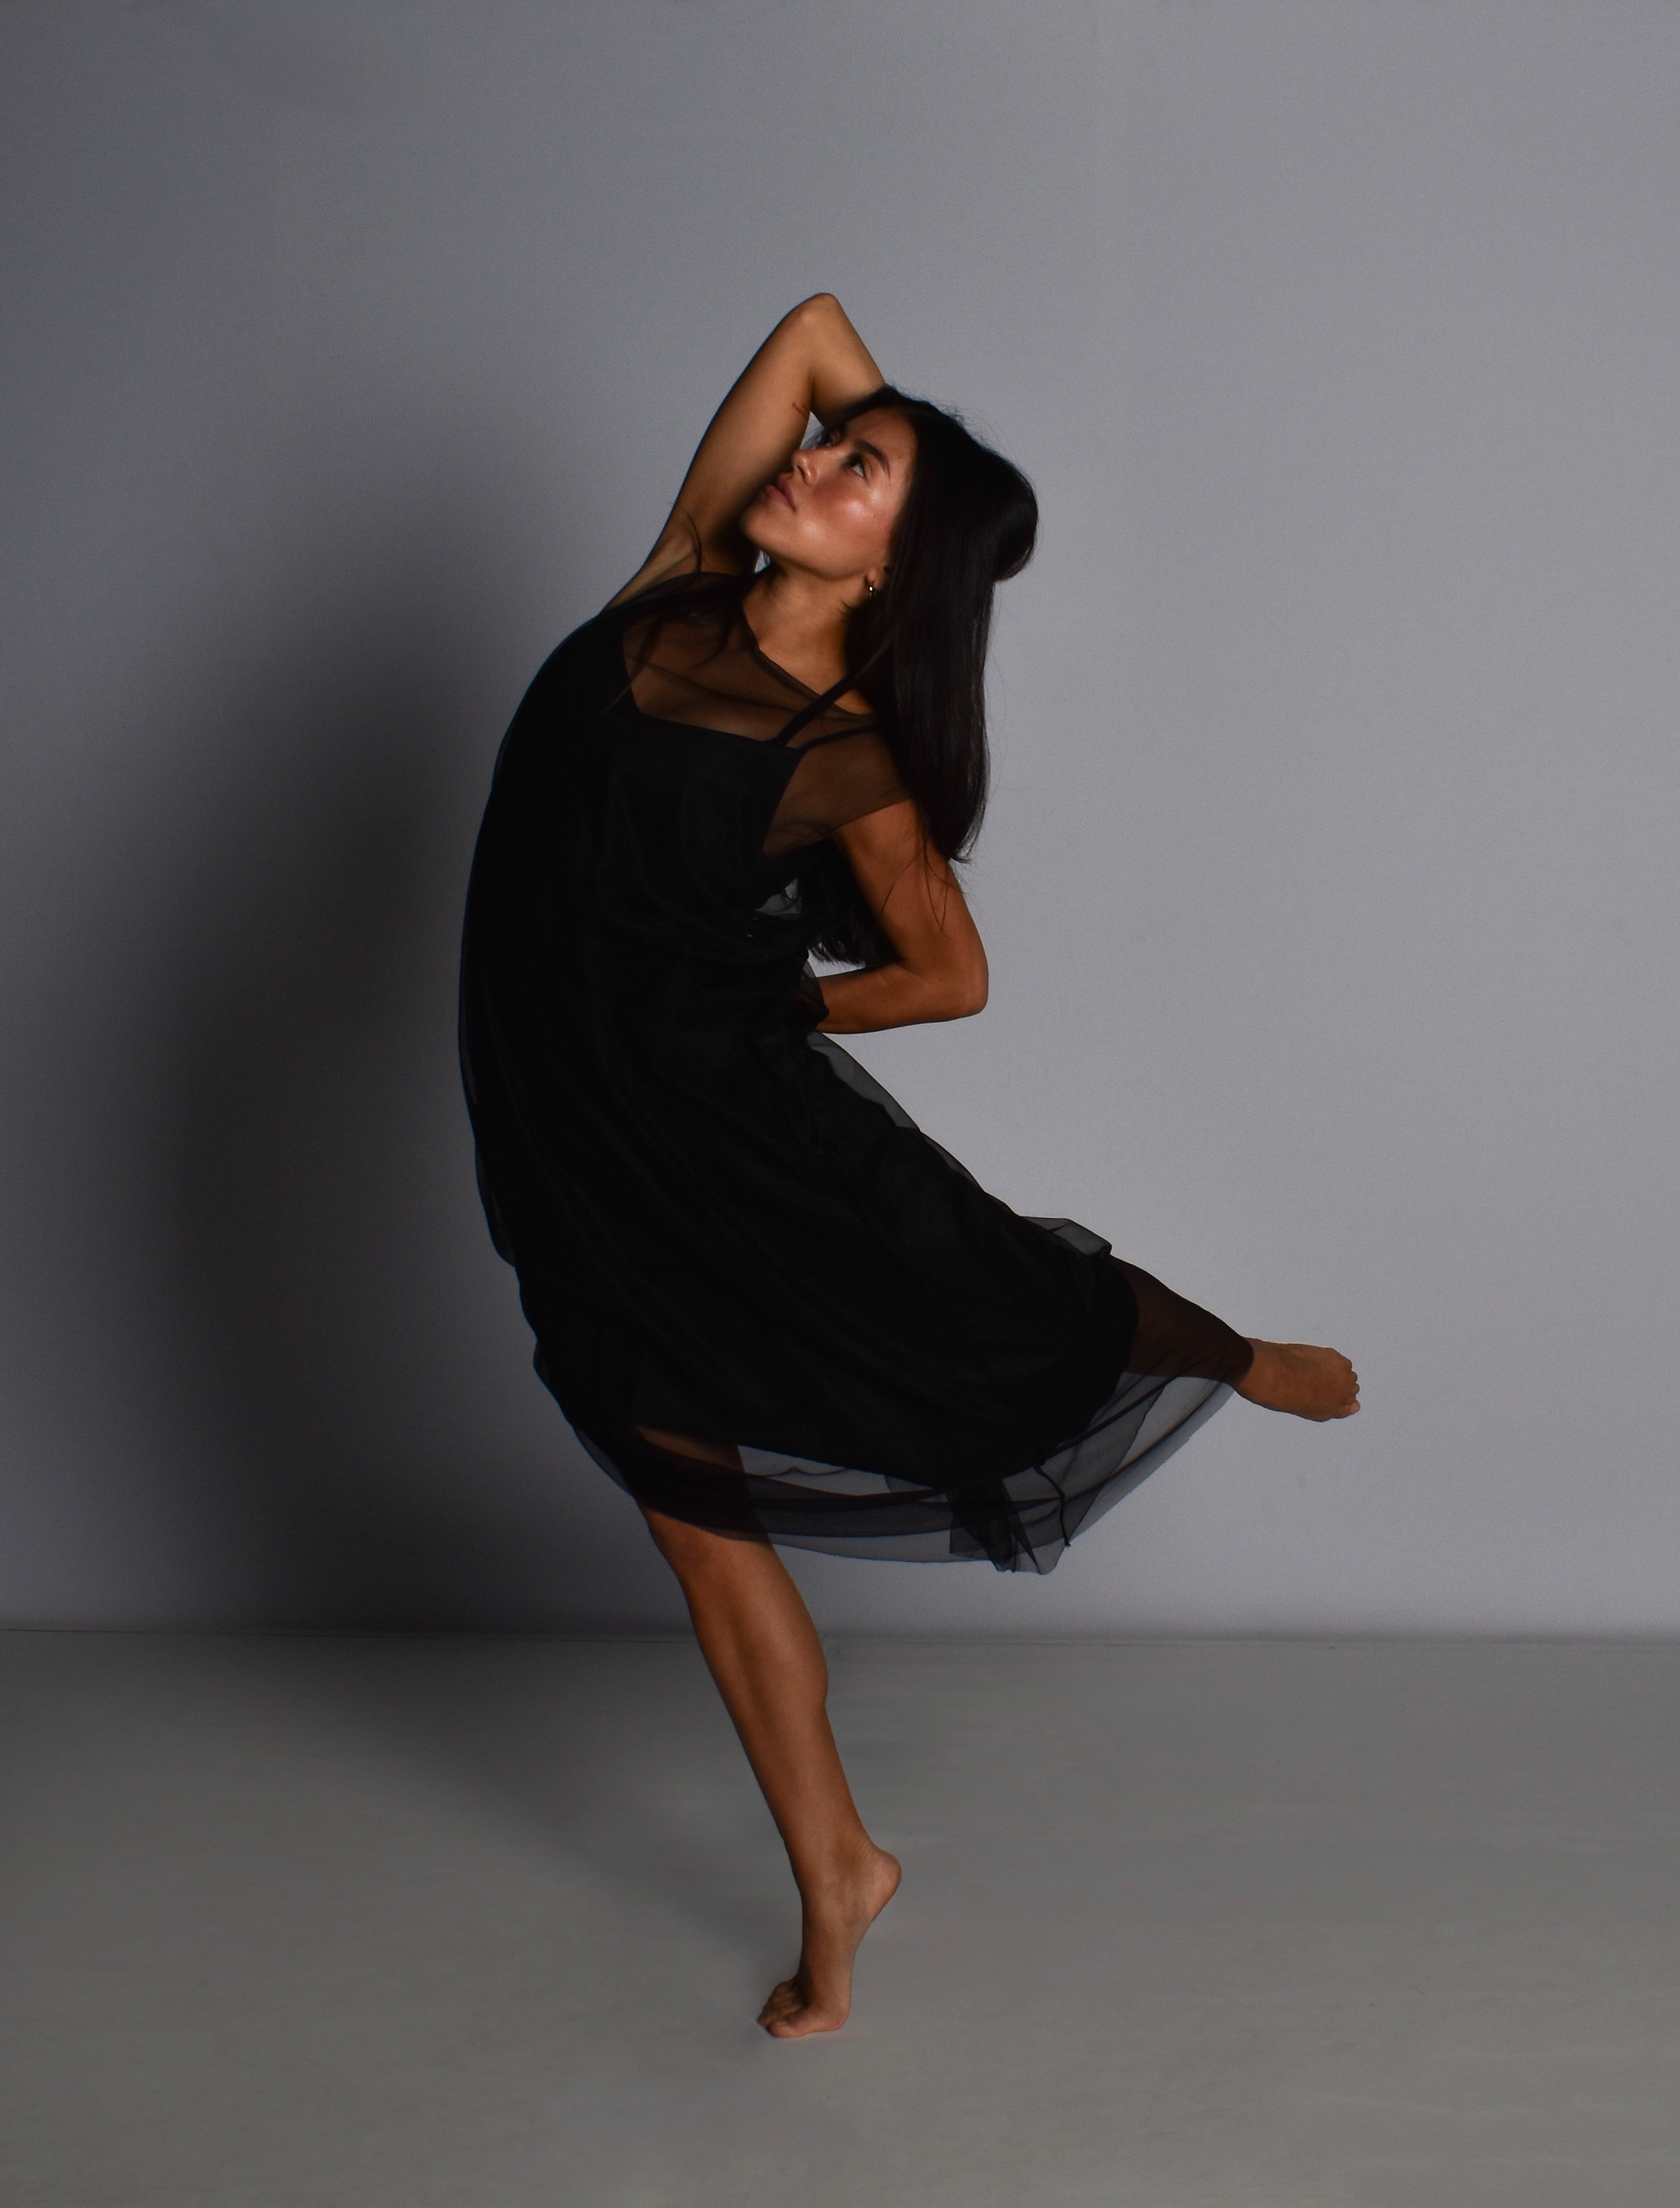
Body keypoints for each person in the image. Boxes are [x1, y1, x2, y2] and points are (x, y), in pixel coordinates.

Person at [458, 294, 1358, 2038]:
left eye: (855, 472)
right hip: (573, 1143)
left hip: (721, 1132)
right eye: (831, 446)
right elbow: (811, 327)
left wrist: (772, 1010)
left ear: (892, 566)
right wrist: (919, 461)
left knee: (977, 1292)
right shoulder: (676, 581)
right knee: (692, 1520)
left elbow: (949, 974)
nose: (811, 459)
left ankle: (1231, 1353)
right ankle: (845, 1859)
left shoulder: (844, 751)